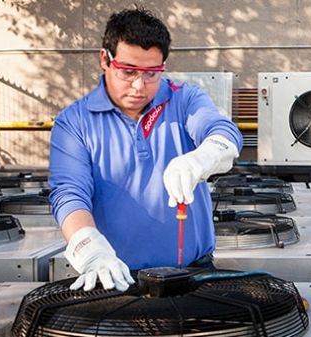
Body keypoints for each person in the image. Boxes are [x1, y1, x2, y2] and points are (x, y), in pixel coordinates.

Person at [48, 7, 243, 292]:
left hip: (193, 273)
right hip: (116, 276)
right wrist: (90, 249)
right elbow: (69, 194)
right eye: (127, 71)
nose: (139, 86)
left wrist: (203, 157)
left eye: (152, 73)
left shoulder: (184, 99)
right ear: (105, 59)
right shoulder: (74, 122)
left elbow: (222, 132)